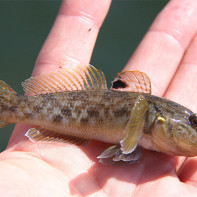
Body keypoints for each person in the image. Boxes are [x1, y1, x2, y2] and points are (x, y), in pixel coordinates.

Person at [1, 0, 197, 196]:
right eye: (194, 123)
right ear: (158, 117)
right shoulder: (144, 109)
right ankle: (9, 108)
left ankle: (11, 108)